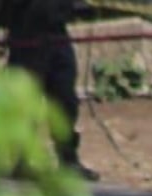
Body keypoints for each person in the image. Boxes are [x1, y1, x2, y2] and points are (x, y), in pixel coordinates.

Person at [6, 0, 99, 180]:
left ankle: (68, 160)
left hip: (57, 29)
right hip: (27, 32)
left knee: (65, 98)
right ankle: (22, 162)